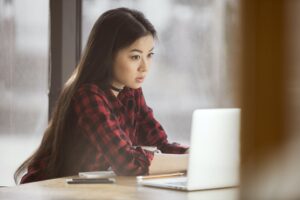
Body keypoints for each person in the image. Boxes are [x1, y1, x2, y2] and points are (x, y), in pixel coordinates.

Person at [14, 7, 189, 184]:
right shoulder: (87, 95)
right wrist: (191, 162)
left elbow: (160, 143)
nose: (145, 67)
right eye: (135, 57)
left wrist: (195, 154)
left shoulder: (131, 91)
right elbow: (127, 162)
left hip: (89, 190)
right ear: (108, 55)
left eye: (149, 55)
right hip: (50, 189)